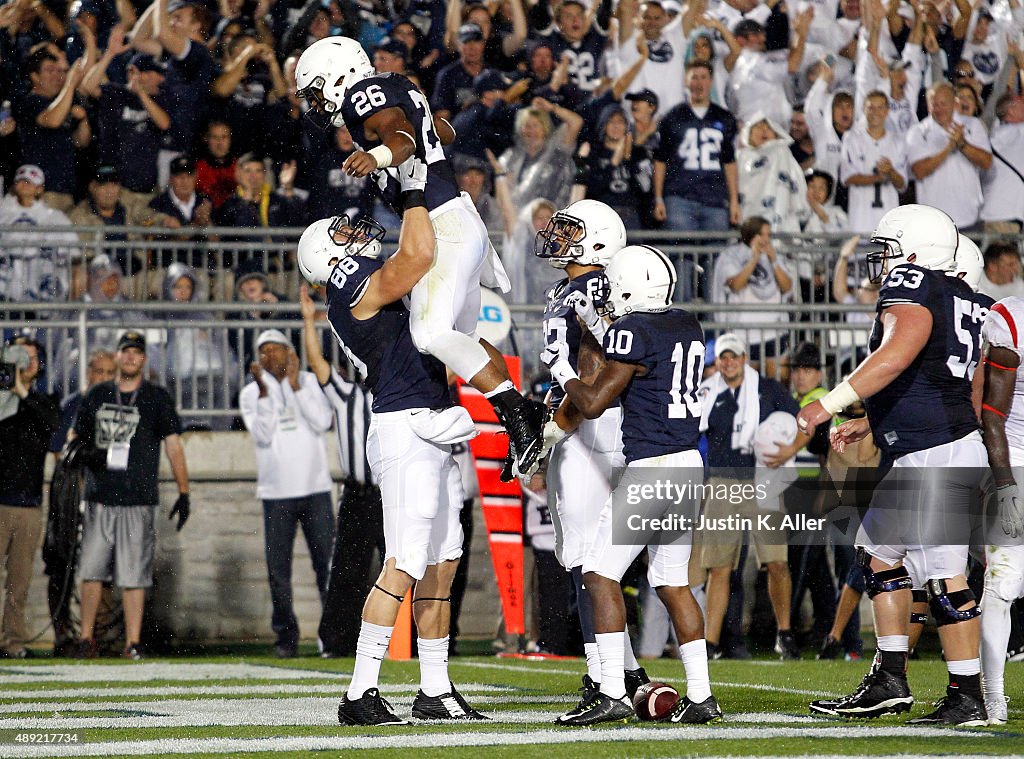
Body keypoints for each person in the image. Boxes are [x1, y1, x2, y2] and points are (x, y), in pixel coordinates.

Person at [294, 36, 547, 477]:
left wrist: (377, 156)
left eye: (316, 91)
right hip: (459, 221)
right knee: (459, 338)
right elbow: (435, 131)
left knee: (429, 333)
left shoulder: (361, 97)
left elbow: (403, 137)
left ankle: (519, 414)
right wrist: (418, 133)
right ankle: (525, 411)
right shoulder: (393, 88)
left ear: (338, 76)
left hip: (445, 224)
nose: (316, 104)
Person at [295, 186, 486, 724]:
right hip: (404, 429)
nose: (353, 233)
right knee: (402, 564)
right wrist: (415, 191)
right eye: (341, 235)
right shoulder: (348, 284)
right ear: (328, 259)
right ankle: (359, 692)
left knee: (443, 564)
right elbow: (419, 256)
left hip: (431, 421)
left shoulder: (357, 280)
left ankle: (434, 689)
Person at [799, 204, 989, 725]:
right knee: (877, 551)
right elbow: (934, 378)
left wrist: (829, 402)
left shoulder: (915, 283)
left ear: (912, 251)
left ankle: (967, 694)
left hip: (937, 450)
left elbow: (898, 353)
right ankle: (890, 679)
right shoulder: (964, 296)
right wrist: (871, 420)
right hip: (928, 444)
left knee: (946, 577)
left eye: (886, 251)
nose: (880, 263)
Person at [547, 244, 721, 726]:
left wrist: (563, 372)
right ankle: (702, 696)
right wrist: (602, 331)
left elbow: (597, 401)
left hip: (652, 468)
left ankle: (610, 692)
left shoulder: (631, 330)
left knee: (600, 574)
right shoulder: (685, 322)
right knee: (671, 582)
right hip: (689, 464)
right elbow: (642, 355)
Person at [534, 200, 649, 706]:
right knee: (592, 557)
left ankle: (607, 681)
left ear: (597, 240)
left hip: (597, 423)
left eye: (569, 229)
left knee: (587, 557)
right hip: (590, 421)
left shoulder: (600, 286)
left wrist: (557, 428)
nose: (557, 236)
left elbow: (602, 362)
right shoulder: (571, 286)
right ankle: (627, 675)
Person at [71, 330, 191, 660]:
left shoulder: (156, 397)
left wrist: (184, 490)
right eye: (126, 351)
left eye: (136, 353)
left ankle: (133, 642)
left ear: (144, 359)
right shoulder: (97, 395)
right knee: (92, 570)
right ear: (118, 356)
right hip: (100, 494)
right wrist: (85, 456)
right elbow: (75, 438)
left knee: (134, 574)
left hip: (138, 497)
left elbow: (174, 445)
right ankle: (86, 639)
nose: (130, 358)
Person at [696, 332, 809, 661]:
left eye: (734, 356)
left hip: (764, 481)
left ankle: (784, 633)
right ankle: (710, 643)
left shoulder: (768, 389)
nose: (728, 362)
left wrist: (789, 450)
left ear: (745, 358)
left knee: (776, 562)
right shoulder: (707, 392)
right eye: (723, 357)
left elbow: (805, 423)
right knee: (718, 567)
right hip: (721, 482)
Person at [298, 286, 384, 658]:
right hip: (359, 492)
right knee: (348, 568)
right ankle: (337, 641)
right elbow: (318, 364)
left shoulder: (394, 396)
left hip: (390, 491)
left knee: (402, 566)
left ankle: (407, 643)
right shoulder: (347, 394)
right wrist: (307, 321)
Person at [239, 328, 334, 658]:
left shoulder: (309, 383)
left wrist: (295, 386)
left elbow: (323, 421)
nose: (270, 357)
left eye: (276, 350)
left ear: (290, 353)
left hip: (315, 488)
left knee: (327, 566)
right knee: (278, 571)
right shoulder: (252, 393)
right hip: (276, 493)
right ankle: (285, 639)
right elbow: (262, 435)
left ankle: (331, 638)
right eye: (263, 351)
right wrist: (267, 393)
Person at [977, 293, 1024, 726]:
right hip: (1017, 467)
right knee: (1003, 585)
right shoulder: (1011, 317)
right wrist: (1005, 484)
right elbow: (991, 413)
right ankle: (993, 698)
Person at [652, 61, 740, 292]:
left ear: (711, 81)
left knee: (716, 262)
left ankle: (713, 324)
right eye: (694, 77)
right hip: (679, 196)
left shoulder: (724, 117)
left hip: (714, 198)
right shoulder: (673, 117)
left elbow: (730, 163)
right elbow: (660, 160)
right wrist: (659, 198)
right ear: (686, 81)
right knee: (681, 259)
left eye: (703, 77)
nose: (698, 83)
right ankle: (682, 321)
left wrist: (734, 202)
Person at [0, 337, 58, 657]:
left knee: (19, 583)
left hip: (28, 503)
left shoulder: (43, 401)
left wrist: (22, 393)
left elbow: (53, 425)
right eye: (21, 357)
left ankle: (13, 641)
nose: (27, 363)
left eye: (33, 357)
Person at [709, 216, 795, 374]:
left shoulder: (773, 254)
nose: (766, 239)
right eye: (762, 235)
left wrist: (774, 262)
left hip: (773, 330)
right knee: (746, 383)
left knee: (778, 381)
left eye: (769, 235)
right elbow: (736, 285)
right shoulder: (731, 255)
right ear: (751, 234)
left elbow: (787, 286)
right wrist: (754, 259)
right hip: (743, 332)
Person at [906, 81, 992, 229]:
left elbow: (986, 163)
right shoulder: (917, 132)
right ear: (928, 105)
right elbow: (919, 171)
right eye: (934, 104)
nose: (939, 109)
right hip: (932, 224)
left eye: (943, 103)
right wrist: (949, 148)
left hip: (970, 218)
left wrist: (962, 144)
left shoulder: (973, 125)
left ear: (954, 103)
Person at [0, 164, 79, 303]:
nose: (25, 185)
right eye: (21, 181)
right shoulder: (3, 213)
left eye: (30, 182)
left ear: (40, 188)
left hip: (41, 290)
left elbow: (73, 253)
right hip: (8, 289)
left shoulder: (54, 216)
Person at [839, 90, 907, 235]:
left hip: (887, 223)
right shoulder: (851, 138)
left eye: (880, 107)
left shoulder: (898, 141)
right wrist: (878, 178)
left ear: (887, 111)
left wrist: (891, 171)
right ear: (863, 110)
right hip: (860, 221)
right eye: (871, 107)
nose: (875, 112)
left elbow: (902, 184)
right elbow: (847, 178)